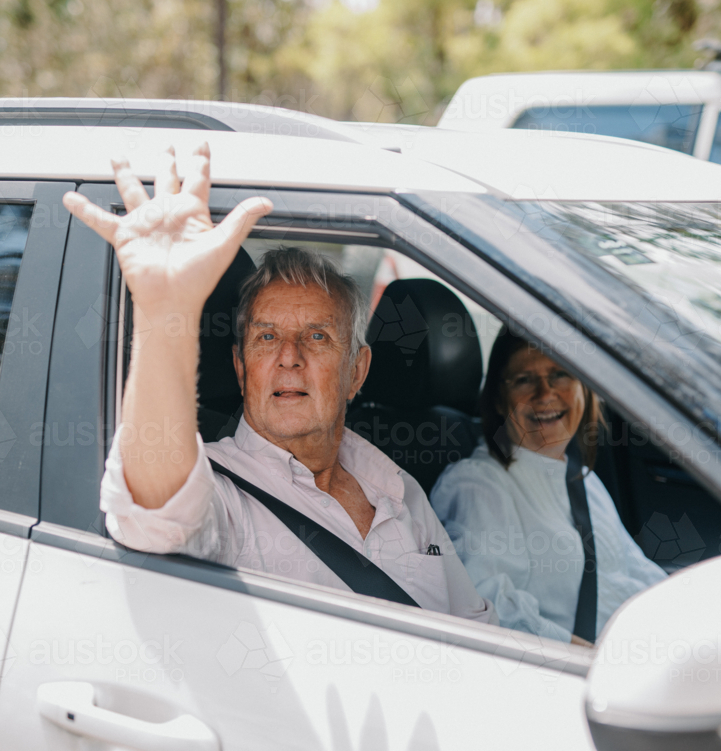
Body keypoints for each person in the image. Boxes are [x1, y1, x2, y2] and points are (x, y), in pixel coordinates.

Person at [62, 144, 496, 624]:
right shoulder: (221, 493)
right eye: (267, 337)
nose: (290, 357)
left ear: (357, 371)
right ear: (242, 368)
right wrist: (166, 310)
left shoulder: (398, 488)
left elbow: (477, 629)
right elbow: (157, 509)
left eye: (317, 336)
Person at [430, 328, 666, 644]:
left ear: (584, 389)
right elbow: (484, 604)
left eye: (560, 374)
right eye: (525, 380)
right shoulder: (478, 484)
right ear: (499, 400)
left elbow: (635, 571)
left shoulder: (584, 479)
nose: (545, 394)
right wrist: (582, 654)